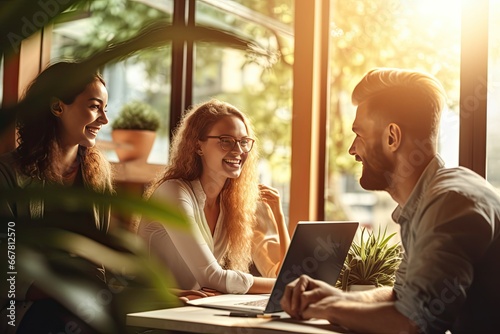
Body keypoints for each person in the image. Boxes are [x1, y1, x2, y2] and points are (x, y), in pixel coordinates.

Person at [280, 68, 500, 333]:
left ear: (392, 138)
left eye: (359, 135)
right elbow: (402, 299)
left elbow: (414, 324)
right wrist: (333, 297)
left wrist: (323, 309)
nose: (352, 149)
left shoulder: (449, 202)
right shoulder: (429, 200)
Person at [0, 61, 113, 332]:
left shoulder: (98, 177)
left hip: (89, 303)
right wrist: (66, 291)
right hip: (20, 309)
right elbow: (8, 266)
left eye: (105, 109)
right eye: (94, 107)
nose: (104, 120)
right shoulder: (8, 175)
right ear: (57, 107)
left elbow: (104, 260)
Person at [138, 98, 290, 295]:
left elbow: (278, 273)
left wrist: (278, 215)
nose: (238, 150)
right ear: (198, 146)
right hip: (148, 314)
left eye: (244, 142)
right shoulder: (173, 192)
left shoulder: (231, 205)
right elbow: (213, 277)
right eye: (226, 141)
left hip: (190, 311)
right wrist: (286, 287)